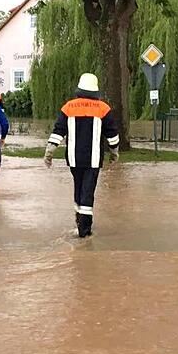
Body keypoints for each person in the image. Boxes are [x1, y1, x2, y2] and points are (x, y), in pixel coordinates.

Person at [43, 73, 120, 237]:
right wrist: (114, 153)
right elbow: (112, 134)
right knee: (88, 191)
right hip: (93, 159)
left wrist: (49, 152)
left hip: (74, 159)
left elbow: (58, 131)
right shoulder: (103, 109)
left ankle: (79, 222)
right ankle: (84, 231)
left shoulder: (68, 107)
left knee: (78, 188)